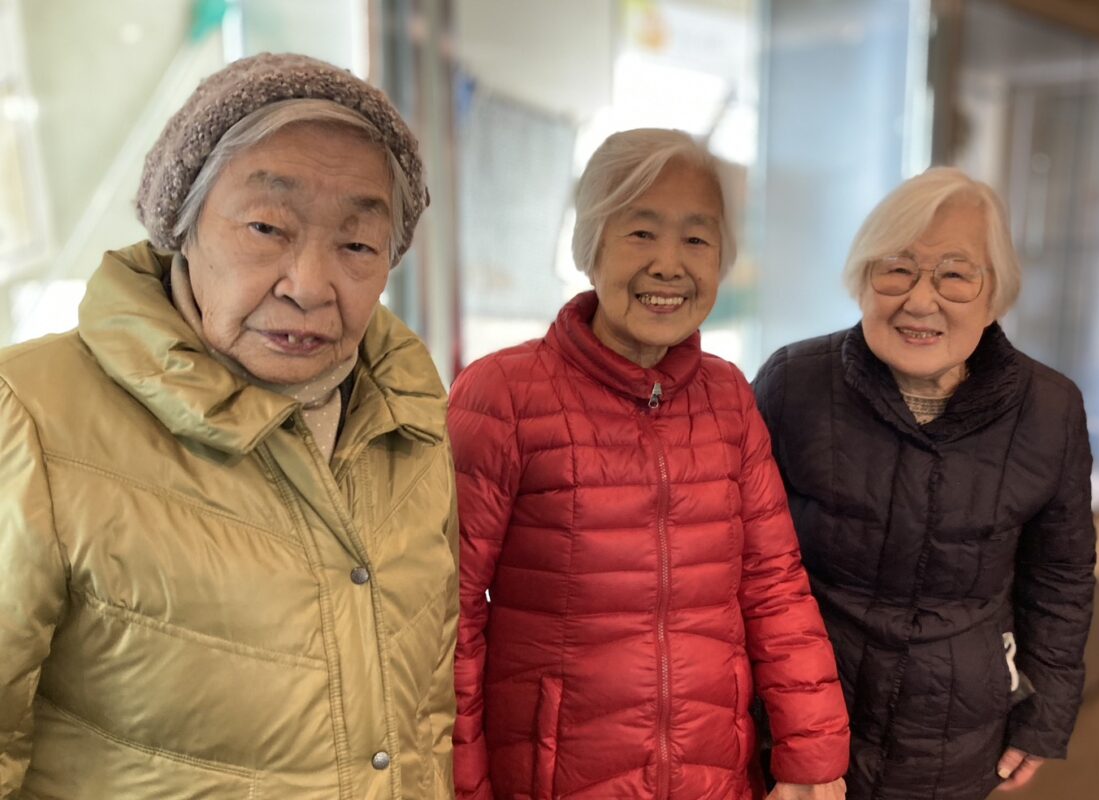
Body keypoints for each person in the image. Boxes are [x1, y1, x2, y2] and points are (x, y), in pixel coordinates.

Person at [0, 53, 457, 798]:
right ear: (181, 225)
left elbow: (425, 716)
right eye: (266, 227)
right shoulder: (29, 413)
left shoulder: (407, 417)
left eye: (356, 245)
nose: (309, 286)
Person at [449, 128, 850, 800]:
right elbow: (449, 616)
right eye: (641, 233)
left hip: (713, 778)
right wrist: (463, 786)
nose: (669, 265)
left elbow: (773, 584)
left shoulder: (728, 397)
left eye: (696, 238)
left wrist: (812, 756)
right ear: (590, 247)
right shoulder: (502, 395)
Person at [753, 167, 1097, 800]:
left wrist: (1044, 713)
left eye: (955, 275)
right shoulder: (793, 382)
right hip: (802, 726)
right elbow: (740, 558)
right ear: (862, 280)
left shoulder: (1049, 409)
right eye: (896, 269)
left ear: (995, 296)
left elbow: (1061, 576)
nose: (919, 301)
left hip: (957, 736)